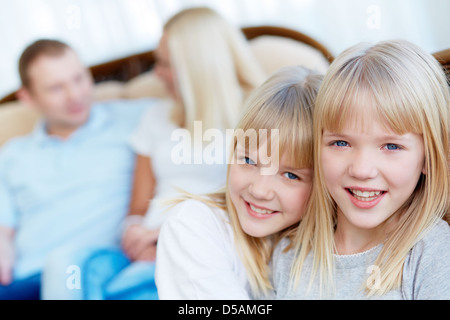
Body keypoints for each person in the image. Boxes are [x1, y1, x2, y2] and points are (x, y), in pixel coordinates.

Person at [74, 7, 266, 300]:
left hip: (207, 245)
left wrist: (167, 235)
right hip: (144, 252)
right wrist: (135, 232)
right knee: (75, 269)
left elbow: (260, 204)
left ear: (197, 66)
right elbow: (138, 204)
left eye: (165, 63)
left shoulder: (259, 117)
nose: (156, 73)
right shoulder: (155, 116)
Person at [272, 40, 450, 299]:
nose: (362, 170)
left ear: (427, 158)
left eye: (391, 146)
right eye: (341, 143)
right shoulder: (289, 254)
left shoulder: (433, 252)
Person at [0, 39, 150, 300]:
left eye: (79, 78)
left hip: (96, 270)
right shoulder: (12, 154)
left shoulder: (139, 118)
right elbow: (3, 228)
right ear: (27, 98)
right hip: (24, 280)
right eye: (56, 88)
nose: (75, 95)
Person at [155, 66, 323, 299]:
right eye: (248, 160)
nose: (260, 190)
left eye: (291, 175)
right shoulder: (192, 225)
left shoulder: (328, 245)